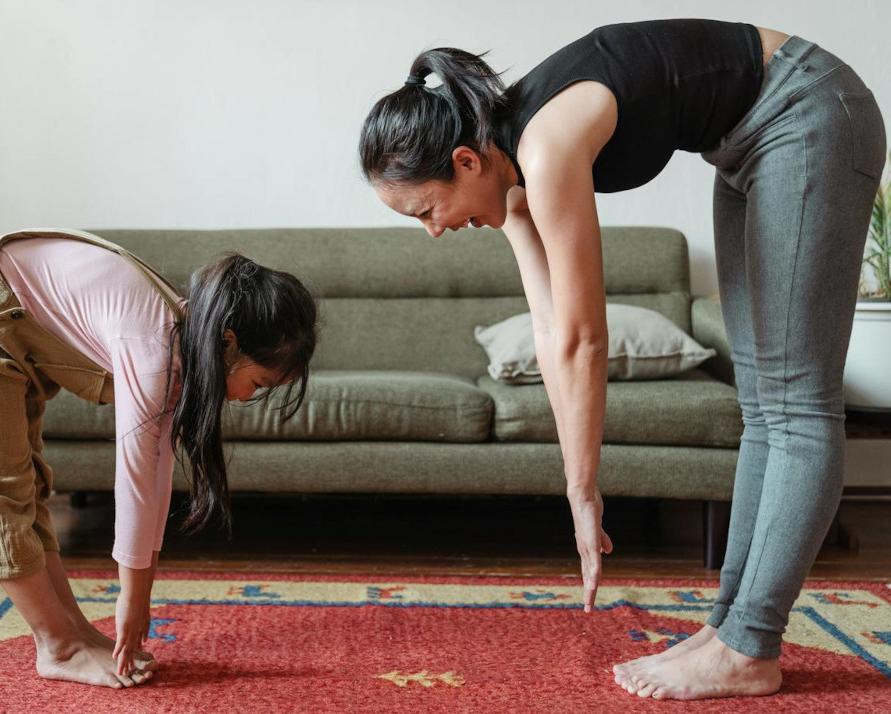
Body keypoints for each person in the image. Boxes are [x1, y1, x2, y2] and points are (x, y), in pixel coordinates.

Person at [358, 19, 885, 700]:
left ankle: (749, 645)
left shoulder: (544, 150)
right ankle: (730, 628)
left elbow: (586, 338)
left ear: (465, 162)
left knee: (796, 402)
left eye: (425, 210)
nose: (433, 232)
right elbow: (550, 331)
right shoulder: (511, 178)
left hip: (807, 112)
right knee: (762, 406)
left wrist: (585, 488)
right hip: (745, 144)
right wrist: (575, 485)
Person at [0, 228, 317, 689]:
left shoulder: (186, 342)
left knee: (29, 485)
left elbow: (157, 473)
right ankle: (59, 647)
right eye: (260, 384)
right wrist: (132, 599)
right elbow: (135, 481)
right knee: (1, 496)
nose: (248, 398)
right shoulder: (155, 349)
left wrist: (140, 593)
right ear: (229, 343)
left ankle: (74, 634)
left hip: (11, 315)